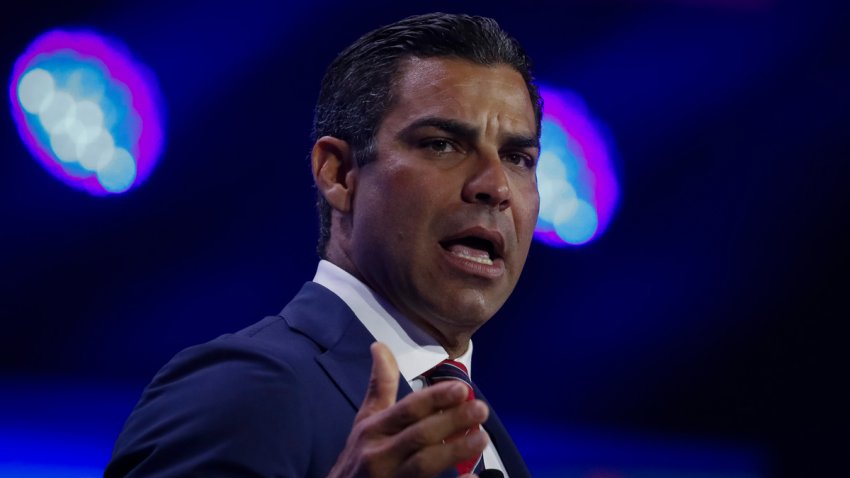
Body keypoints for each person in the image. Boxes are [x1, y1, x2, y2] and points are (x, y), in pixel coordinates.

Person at [106, 12, 541, 478]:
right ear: (338, 174)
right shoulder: (242, 388)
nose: (495, 185)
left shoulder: (486, 436)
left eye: (518, 158)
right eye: (441, 145)